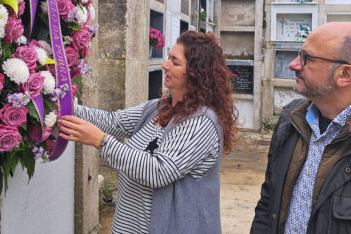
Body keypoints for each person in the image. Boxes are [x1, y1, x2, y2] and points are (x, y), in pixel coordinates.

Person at [59, 31, 237, 234]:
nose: (165, 65)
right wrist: (64, 106)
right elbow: (112, 121)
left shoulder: (201, 122)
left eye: (175, 62)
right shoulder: (157, 108)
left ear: (197, 73)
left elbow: (158, 171)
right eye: (168, 58)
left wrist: (102, 142)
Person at [251, 22, 351, 234]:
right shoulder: (291, 119)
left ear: (344, 75)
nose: (294, 64)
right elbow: (268, 202)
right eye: (299, 54)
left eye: (308, 58)